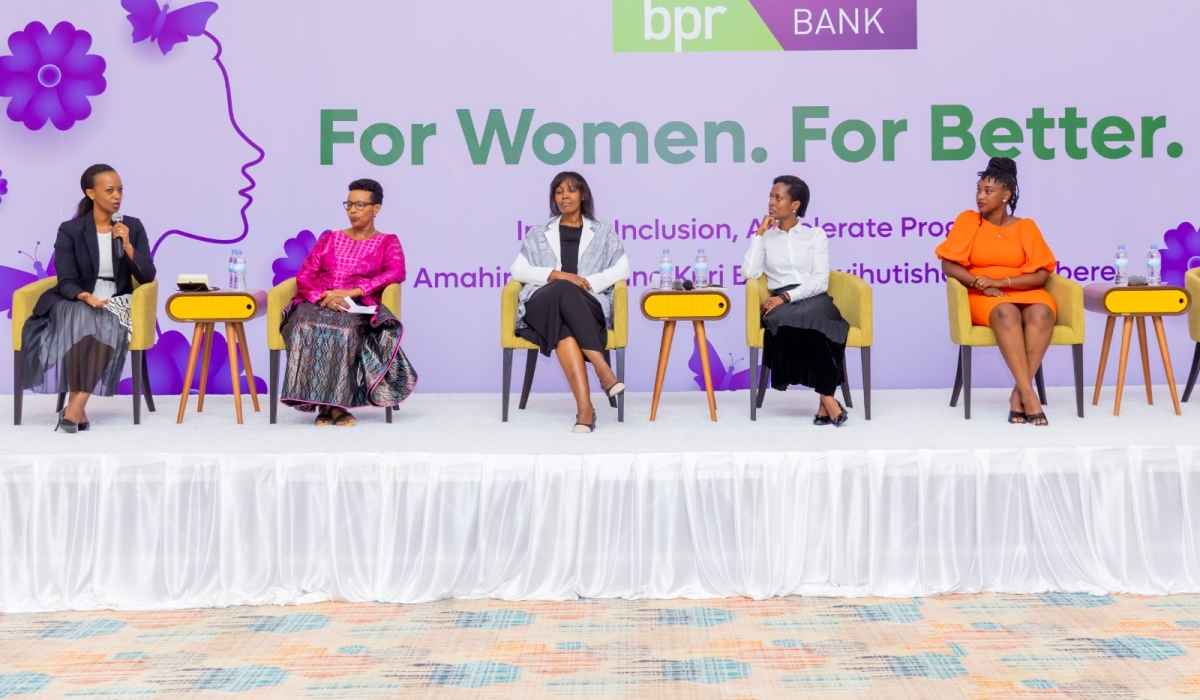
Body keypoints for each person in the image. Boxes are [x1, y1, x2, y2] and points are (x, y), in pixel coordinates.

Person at [22, 164, 156, 432]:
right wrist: (85, 296)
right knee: (84, 314)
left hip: (118, 298)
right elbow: (66, 278)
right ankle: (77, 410)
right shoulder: (71, 230)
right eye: (109, 190)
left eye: (120, 190)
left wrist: (128, 246)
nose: (117, 196)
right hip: (75, 298)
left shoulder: (132, 226)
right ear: (91, 193)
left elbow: (148, 276)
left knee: (104, 318)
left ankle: (74, 407)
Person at [279, 179, 417, 425]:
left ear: (376, 209)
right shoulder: (330, 238)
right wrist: (323, 297)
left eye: (360, 205)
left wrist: (353, 291)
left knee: (346, 330)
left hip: (357, 306)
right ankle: (330, 406)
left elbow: (396, 273)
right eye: (349, 204)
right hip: (317, 302)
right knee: (302, 325)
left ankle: (330, 406)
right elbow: (305, 275)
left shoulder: (388, 241)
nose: (352, 210)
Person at [936, 157, 1057, 426]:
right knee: (1006, 313)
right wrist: (980, 283)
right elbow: (948, 263)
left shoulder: (1026, 227)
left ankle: (1018, 395)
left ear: (1006, 195)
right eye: (978, 190)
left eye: (988, 191)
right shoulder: (969, 221)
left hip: (1022, 290)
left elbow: (1041, 273)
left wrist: (1001, 283)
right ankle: (1029, 395)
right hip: (982, 296)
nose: (980, 196)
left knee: (1043, 313)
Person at [511, 171, 631, 433]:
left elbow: (622, 268)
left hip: (586, 302)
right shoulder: (539, 232)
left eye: (571, 190)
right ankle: (602, 368)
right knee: (562, 288)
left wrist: (588, 282)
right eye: (559, 191)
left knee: (564, 328)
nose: (565, 196)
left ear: (583, 194)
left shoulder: (603, 232)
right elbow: (518, 270)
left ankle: (585, 410)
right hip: (542, 301)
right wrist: (558, 275)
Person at [743, 175, 850, 426]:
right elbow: (749, 273)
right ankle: (828, 399)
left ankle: (825, 401)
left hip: (812, 295)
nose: (771, 202)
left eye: (777, 197)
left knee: (824, 321)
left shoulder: (815, 235)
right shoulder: (766, 238)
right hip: (781, 302)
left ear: (795, 205)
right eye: (770, 196)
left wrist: (786, 296)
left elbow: (820, 281)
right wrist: (758, 234)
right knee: (794, 323)